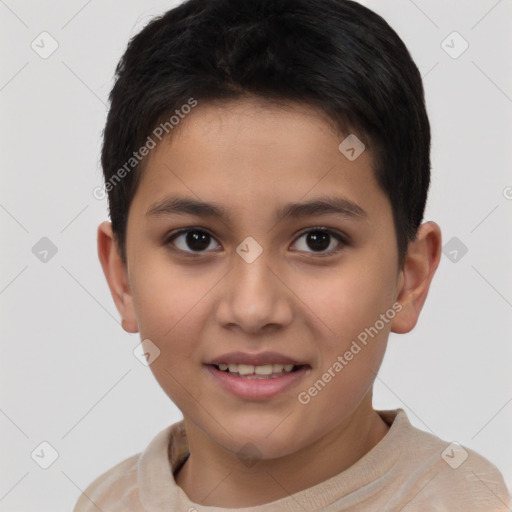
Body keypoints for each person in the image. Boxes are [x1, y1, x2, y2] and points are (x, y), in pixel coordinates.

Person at [74, 0, 510, 510]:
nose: (253, 308)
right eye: (195, 240)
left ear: (408, 280)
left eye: (318, 240)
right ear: (122, 276)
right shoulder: (106, 502)